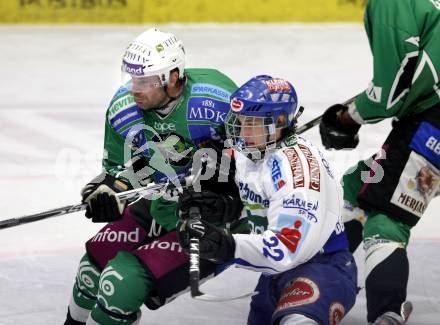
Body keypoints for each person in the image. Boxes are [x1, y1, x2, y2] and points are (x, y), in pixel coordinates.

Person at [63, 28, 246, 325]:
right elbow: (118, 171)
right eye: (133, 78)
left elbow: (255, 164)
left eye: (145, 81)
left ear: (173, 77)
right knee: (91, 267)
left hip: (207, 220)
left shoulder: (214, 102)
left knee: (121, 283)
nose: (135, 89)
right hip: (157, 204)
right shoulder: (125, 109)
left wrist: (227, 180)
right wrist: (108, 192)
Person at [177, 75, 358, 325]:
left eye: (252, 123)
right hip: (274, 275)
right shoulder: (251, 151)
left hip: (322, 267)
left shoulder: (297, 171)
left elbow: (286, 249)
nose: (243, 132)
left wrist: (228, 245)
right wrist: (226, 209)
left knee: (297, 321)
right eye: (240, 122)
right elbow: (262, 207)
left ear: (280, 122)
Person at [318, 0, 440, 324]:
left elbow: (389, 94)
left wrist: (348, 117)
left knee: (386, 216)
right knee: (360, 184)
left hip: (433, 124)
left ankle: (387, 310)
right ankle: (322, 273)